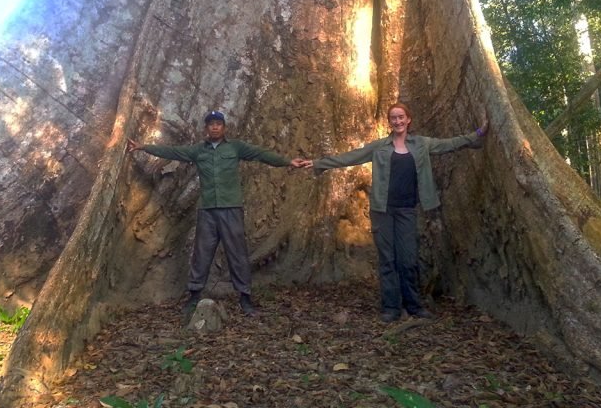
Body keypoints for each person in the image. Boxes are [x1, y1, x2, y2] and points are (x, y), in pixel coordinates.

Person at [303, 102, 488, 322]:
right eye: (393, 118)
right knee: (387, 260)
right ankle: (391, 307)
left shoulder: (422, 144)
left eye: (401, 117)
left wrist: (477, 135)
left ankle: (413, 306)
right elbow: (351, 156)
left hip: (406, 210)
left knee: (408, 259)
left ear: (408, 120)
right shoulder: (380, 147)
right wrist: (318, 163)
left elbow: (450, 144)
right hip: (382, 210)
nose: (398, 121)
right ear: (389, 122)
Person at [127, 110, 306, 316]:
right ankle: (194, 297)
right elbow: (173, 152)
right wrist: (143, 147)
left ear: (224, 127)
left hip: (231, 209)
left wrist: (287, 161)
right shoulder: (198, 151)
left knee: (237, 253)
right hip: (208, 211)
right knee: (202, 253)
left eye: (218, 124)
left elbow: (261, 154)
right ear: (206, 128)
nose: (214, 127)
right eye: (211, 124)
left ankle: (245, 298)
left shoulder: (235, 147)